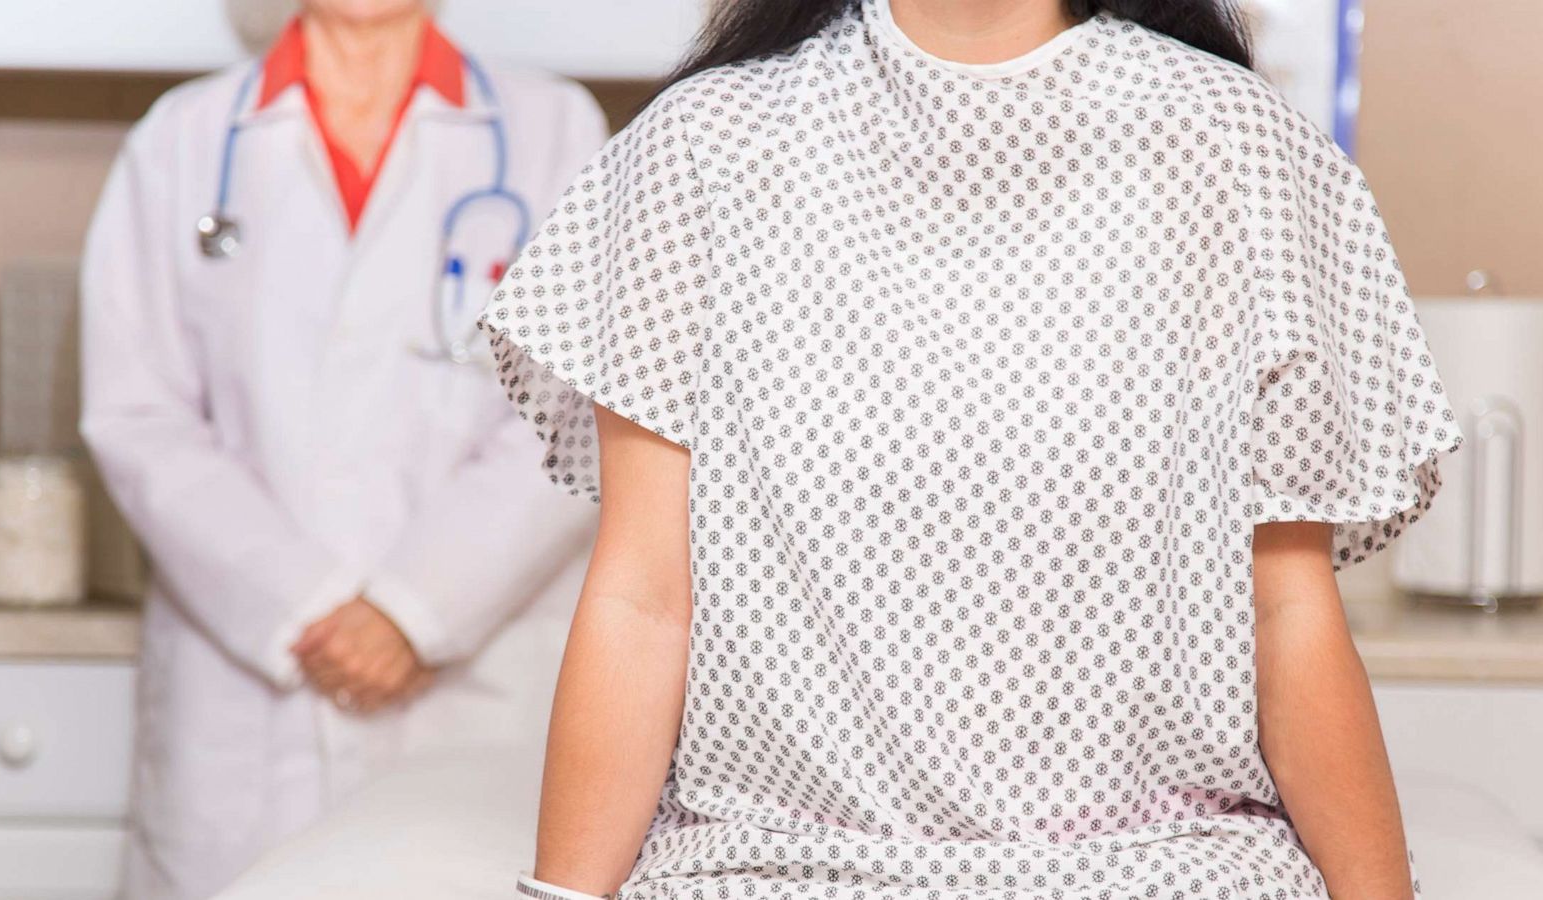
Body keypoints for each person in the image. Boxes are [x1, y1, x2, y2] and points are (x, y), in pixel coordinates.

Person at [477, 0, 1466, 898]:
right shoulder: (702, 148)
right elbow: (644, 598)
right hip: (767, 862)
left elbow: (1282, 606)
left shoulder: (1232, 142)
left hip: (1166, 865)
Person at [80, 2, 605, 897]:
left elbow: (577, 410)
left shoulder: (557, 131)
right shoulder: (182, 139)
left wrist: (414, 608)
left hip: (473, 683)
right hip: (248, 689)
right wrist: (307, 603)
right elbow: (138, 416)